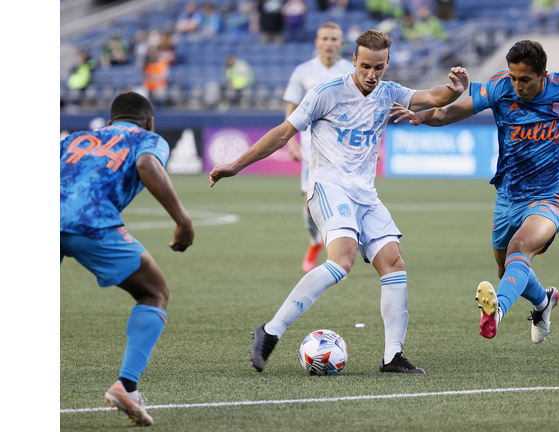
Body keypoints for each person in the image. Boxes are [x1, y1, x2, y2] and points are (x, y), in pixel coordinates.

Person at [209, 29, 469, 374]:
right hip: (328, 187)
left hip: (365, 193)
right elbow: (283, 133)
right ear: (354, 61)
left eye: (379, 67)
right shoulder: (326, 93)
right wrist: (236, 165)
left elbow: (433, 97)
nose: (372, 75)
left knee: (393, 263)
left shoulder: (390, 93)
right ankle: (270, 332)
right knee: (342, 260)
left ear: (388, 62)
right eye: (365, 66)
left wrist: (454, 90)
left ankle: (392, 357)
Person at [389, 26, 559, 343]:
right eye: (514, 77)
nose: (517, 85)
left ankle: (497, 314)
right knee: (507, 272)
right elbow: (452, 111)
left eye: (525, 80)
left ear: (543, 74)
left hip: (548, 198)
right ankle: (544, 301)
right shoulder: (499, 87)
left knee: (519, 250)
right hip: (507, 197)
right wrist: (425, 116)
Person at [60, 92, 194, 426]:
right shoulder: (147, 139)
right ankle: (127, 387)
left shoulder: (76, 139)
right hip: (91, 222)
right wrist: (183, 220)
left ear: (109, 123)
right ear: (150, 122)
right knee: (154, 293)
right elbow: (147, 165)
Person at [283, 22, 355, 273]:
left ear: (341, 43)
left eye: (334, 38)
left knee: (343, 203)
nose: (329, 43)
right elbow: (291, 107)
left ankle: (336, 257)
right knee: (310, 205)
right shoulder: (303, 71)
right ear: (317, 42)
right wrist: (290, 140)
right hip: (311, 150)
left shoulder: (352, 70)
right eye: (325, 38)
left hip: (346, 150)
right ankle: (315, 243)